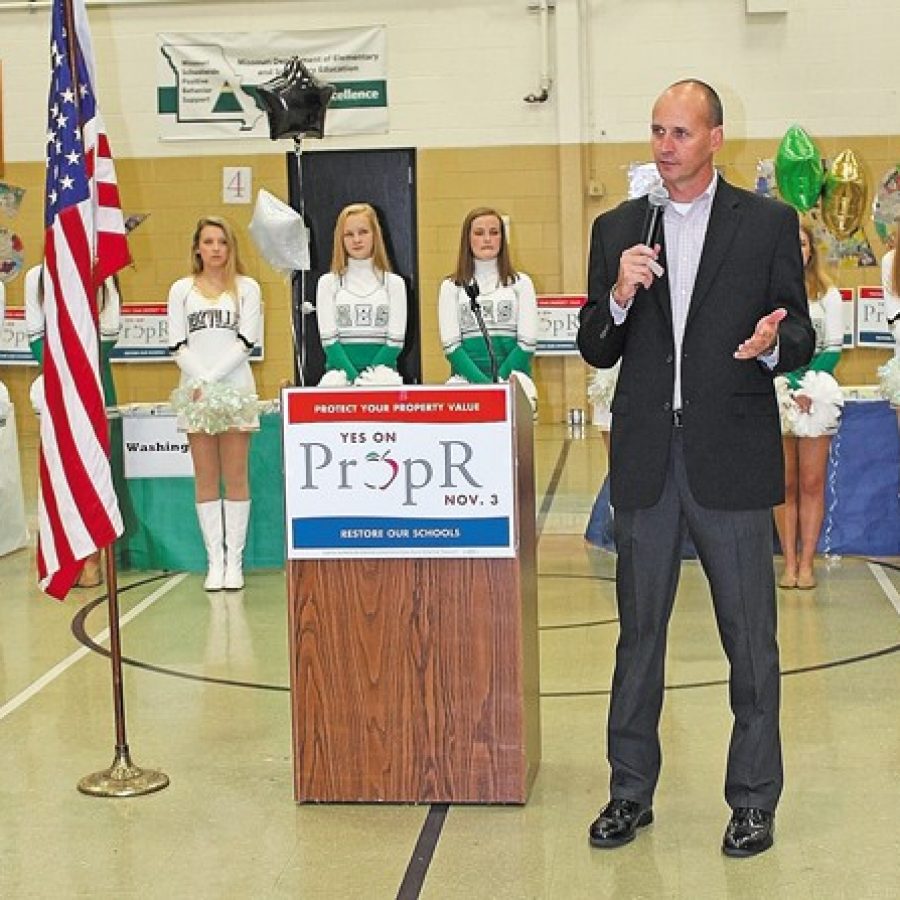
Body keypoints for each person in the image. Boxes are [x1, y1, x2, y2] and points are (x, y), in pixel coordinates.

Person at [577, 79, 815, 858]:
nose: (664, 145)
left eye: (679, 132)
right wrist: (617, 294)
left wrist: (772, 346)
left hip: (732, 463)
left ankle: (752, 801)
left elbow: (799, 332)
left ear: (714, 138)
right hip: (646, 465)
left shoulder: (768, 223)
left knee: (750, 640)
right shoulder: (618, 226)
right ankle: (628, 793)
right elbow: (594, 345)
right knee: (637, 639)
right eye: (656, 131)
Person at [167, 216, 261, 591]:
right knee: (205, 476)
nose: (216, 249)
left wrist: (210, 379)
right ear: (197, 248)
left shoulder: (247, 288)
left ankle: (234, 562)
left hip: (235, 386)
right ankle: (215, 562)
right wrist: (200, 382)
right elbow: (177, 343)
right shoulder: (181, 290)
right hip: (195, 394)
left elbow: (246, 340)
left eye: (222, 241)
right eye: (208, 242)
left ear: (230, 246)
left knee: (236, 475)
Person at [25, 264, 122, 588]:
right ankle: (65, 555)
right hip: (57, 387)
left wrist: (80, 377)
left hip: (95, 385)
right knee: (60, 474)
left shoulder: (104, 273)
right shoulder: (36, 276)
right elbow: (35, 334)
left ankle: (93, 558)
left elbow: (109, 333)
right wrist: (63, 375)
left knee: (94, 474)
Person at [773, 217, 844, 590]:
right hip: (779, 394)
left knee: (811, 481)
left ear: (811, 250)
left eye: (802, 244)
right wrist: (784, 384)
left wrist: (805, 384)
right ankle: (788, 562)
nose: (796, 251)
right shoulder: (767, 292)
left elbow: (834, 346)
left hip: (816, 395)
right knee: (783, 483)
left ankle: (807, 563)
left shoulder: (827, 294)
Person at [438, 207, 538, 399]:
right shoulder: (451, 287)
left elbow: (526, 344)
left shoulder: (521, 283)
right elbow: (451, 347)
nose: (487, 239)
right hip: (466, 382)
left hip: (513, 381)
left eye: (494, 232)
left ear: (502, 238)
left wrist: (499, 383)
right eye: (479, 233)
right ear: (467, 239)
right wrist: (483, 386)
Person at [315, 202, 407, 385]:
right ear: (341, 239)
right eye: (349, 234)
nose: (356, 240)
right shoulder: (328, 283)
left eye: (363, 232)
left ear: (375, 235)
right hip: (339, 380)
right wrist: (354, 379)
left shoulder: (394, 284)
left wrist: (368, 380)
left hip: (383, 379)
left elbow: (395, 341)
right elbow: (330, 342)